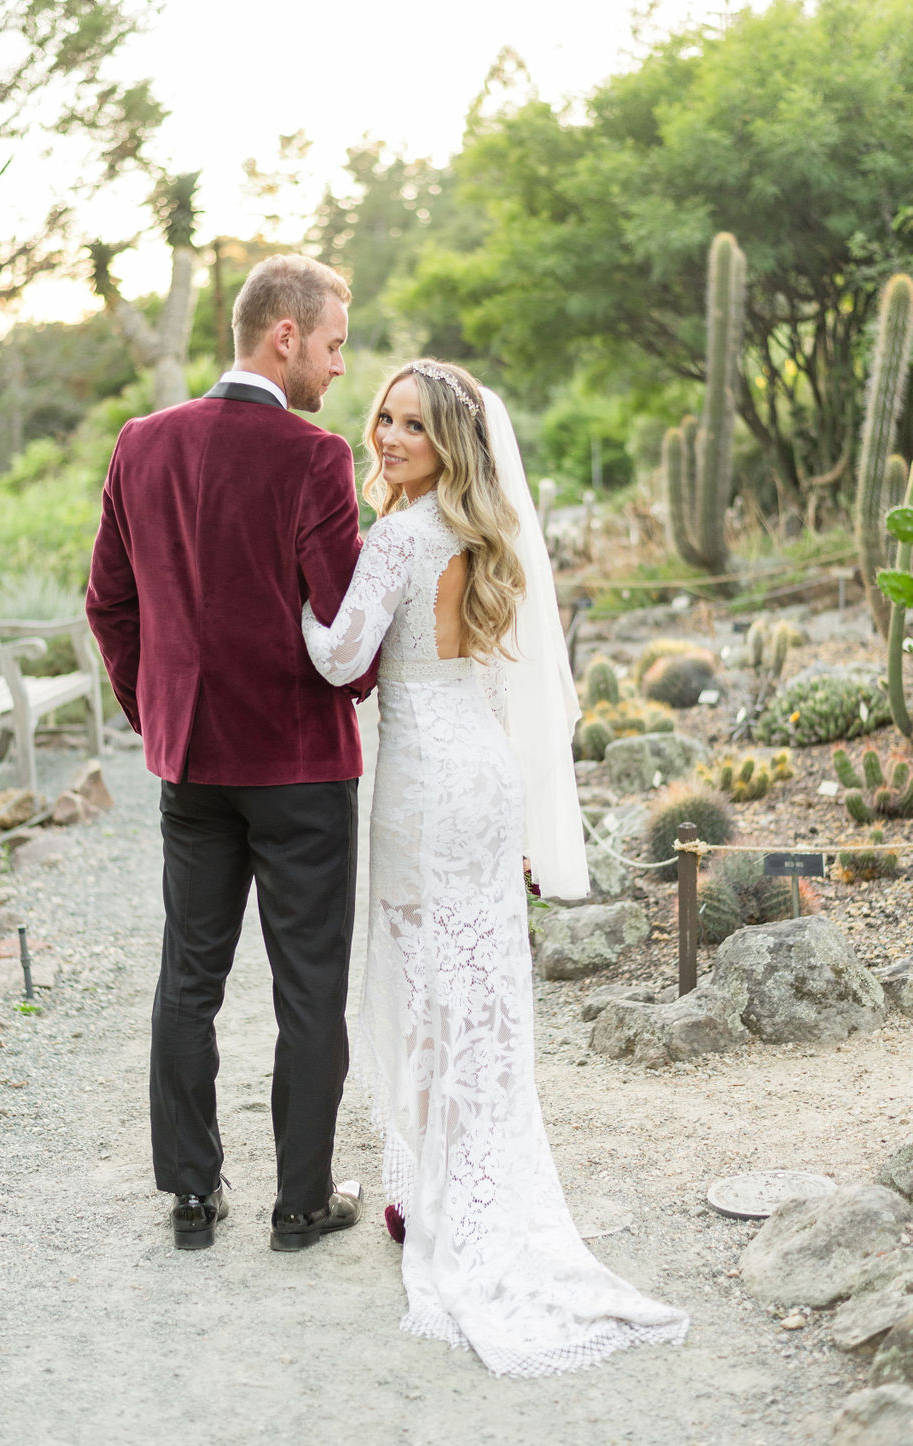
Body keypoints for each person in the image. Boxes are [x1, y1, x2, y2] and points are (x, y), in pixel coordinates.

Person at [302, 360, 689, 1375]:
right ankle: (441, 1176)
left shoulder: (396, 537)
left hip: (425, 783)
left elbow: (343, 659)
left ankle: (438, 1193)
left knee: (424, 982)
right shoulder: (490, 532)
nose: (385, 437)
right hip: (484, 774)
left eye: (411, 428)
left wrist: (297, 608)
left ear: (449, 447)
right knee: (477, 983)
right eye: (383, 417)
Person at [86, 254, 370, 1252]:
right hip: (300, 769)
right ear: (283, 334)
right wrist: (358, 681)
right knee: (309, 987)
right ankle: (301, 1201)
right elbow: (346, 622)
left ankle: (193, 1194)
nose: (338, 368)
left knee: (187, 979)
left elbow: (108, 603)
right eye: (333, 343)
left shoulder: (141, 444)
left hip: (193, 767)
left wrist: (153, 708)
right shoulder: (313, 455)